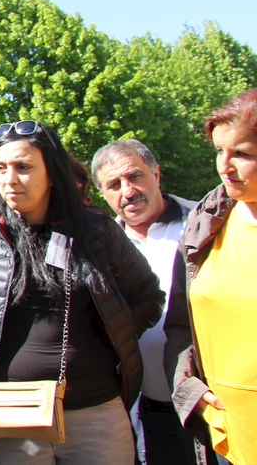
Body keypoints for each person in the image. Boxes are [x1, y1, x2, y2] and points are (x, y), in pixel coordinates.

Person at [0, 120, 164, 465]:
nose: (9, 179)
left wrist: (111, 334)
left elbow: (148, 297)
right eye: (2, 168)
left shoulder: (95, 229)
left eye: (23, 167)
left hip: (95, 413)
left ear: (53, 173)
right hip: (5, 419)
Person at [91, 139, 198, 465]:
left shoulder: (204, 224)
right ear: (103, 194)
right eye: (114, 184)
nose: (127, 191)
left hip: (211, 402)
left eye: (135, 176)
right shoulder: (98, 249)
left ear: (156, 173)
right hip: (147, 410)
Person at [166, 89, 257, 465]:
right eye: (220, 151)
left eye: (243, 154)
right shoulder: (206, 224)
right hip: (231, 442)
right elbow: (179, 327)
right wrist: (191, 390)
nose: (225, 166)